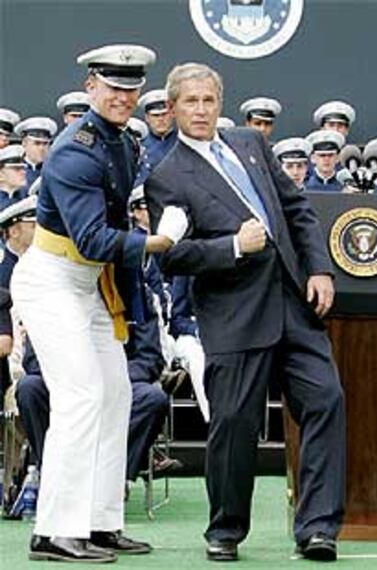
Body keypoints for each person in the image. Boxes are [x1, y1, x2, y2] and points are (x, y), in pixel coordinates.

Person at [145, 63, 345, 563]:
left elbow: (297, 207)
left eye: (208, 100)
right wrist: (232, 246)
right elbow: (171, 256)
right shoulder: (167, 177)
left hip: (295, 306)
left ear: (220, 102)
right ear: (171, 109)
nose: (200, 110)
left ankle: (318, 528)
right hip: (234, 315)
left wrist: (319, 269)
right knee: (233, 424)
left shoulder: (250, 144)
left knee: (326, 401)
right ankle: (226, 529)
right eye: (189, 102)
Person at [10, 44, 187, 564]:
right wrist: (154, 244)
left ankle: (100, 522)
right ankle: (54, 531)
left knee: (117, 395)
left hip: (89, 284)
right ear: (91, 87)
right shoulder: (74, 148)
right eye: (113, 88)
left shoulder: (124, 142)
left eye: (131, 89)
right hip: (52, 278)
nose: (123, 97)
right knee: (83, 396)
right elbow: (91, 237)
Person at [169, 275, 209, 422]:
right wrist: (197, 331)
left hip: (228, 331)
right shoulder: (185, 264)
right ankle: (212, 418)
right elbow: (177, 320)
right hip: (192, 334)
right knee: (197, 355)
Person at [134, 88, 178, 185]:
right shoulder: (138, 146)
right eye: (155, 116)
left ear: (172, 114)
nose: (160, 120)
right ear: (147, 118)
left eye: (164, 114)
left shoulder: (182, 142)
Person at [14, 117, 58, 187]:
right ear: (24, 143)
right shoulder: (13, 169)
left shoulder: (55, 170)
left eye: (45, 144)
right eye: (37, 143)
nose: (41, 148)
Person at [0, 145, 27, 211]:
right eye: (17, 169)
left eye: (23, 168)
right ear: (1, 174)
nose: (23, 172)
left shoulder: (26, 197)